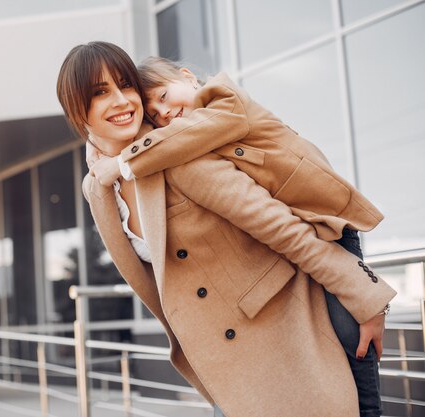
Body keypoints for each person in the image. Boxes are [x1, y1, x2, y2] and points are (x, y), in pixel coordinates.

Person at [56, 41, 396, 417]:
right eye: (101, 92)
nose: (121, 100)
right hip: (221, 360)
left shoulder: (175, 155)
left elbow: (282, 228)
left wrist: (364, 297)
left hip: (282, 334)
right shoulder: (97, 189)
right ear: (77, 110)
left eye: (126, 85)